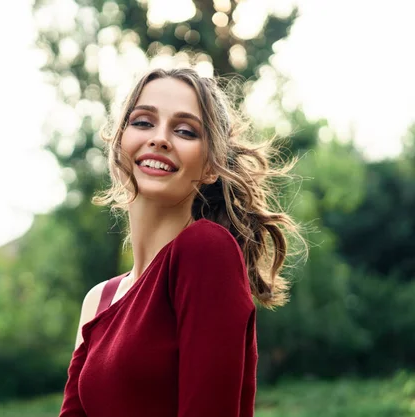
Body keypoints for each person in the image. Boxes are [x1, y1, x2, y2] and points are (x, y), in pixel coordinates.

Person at [59, 67, 303, 417]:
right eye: (143, 122)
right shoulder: (99, 300)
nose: (160, 138)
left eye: (185, 131)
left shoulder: (206, 251)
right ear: (118, 143)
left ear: (210, 167)